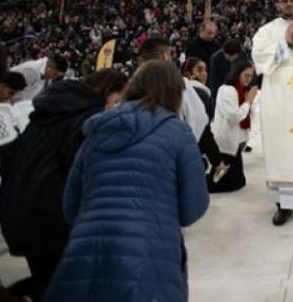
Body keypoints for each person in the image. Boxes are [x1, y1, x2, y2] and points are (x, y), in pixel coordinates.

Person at [43, 60, 209, 302]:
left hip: (87, 250)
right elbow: (192, 207)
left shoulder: (99, 129)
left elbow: (70, 205)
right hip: (151, 253)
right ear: (175, 93)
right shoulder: (177, 131)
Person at [0, 69, 129, 302]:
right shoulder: (85, 119)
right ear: (107, 92)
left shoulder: (53, 110)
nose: (117, 110)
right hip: (51, 218)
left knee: (49, 282)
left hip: (20, 212)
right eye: (118, 101)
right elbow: (84, 177)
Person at [252, 0, 293, 226]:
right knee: (280, 147)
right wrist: (285, 44)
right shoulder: (266, 30)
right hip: (277, 94)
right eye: (284, 1)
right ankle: (282, 204)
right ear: (277, 5)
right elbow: (259, 57)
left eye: (292, 0)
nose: (289, 4)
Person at [137, 37, 208, 144]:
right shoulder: (179, 85)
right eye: (170, 54)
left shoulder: (131, 85)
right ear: (164, 56)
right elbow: (200, 119)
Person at [210, 60, 258, 192]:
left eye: (251, 75)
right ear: (237, 74)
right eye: (246, 75)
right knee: (231, 183)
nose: (249, 78)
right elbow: (234, 116)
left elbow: (250, 115)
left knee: (239, 181)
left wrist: (250, 102)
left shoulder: (242, 89)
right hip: (225, 141)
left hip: (235, 141)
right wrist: (248, 101)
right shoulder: (227, 90)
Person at [181, 57, 227, 189]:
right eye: (199, 70)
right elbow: (204, 131)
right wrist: (217, 160)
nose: (204, 73)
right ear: (188, 74)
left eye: (205, 70)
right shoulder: (198, 93)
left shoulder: (185, 90)